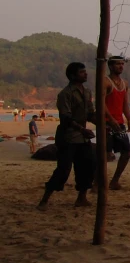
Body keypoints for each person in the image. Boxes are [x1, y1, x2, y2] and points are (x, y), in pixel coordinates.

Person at [38, 62, 97, 210]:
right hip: (68, 136)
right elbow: (66, 118)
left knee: (87, 166)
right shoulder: (65, 94)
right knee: (63, 169)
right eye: (82, 72)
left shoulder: (87, 92)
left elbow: (90, 114)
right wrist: (82, 129)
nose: (86, 74)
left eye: (85, 71)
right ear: (72, 76)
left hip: (82, 137)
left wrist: (104, 123)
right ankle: (44, 199)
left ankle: (81, 198)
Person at [103, 56, 130, 190]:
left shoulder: (124, 83)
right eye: (118, 64)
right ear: (110, 66)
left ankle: (114, 180)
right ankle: (97, 182)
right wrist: (110, 119)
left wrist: (129, 119)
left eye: (122, 64)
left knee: (126, 153)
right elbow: (100, 103)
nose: (121, 66)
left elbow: (124, 103)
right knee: (105, 155)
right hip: (106, 123)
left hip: (119, 123)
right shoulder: (105, 81)